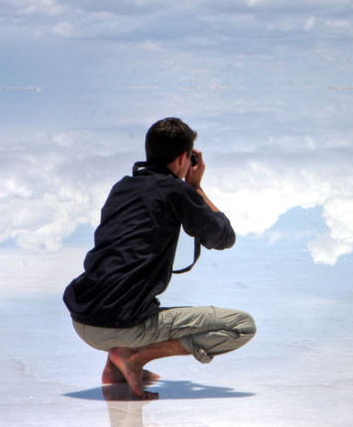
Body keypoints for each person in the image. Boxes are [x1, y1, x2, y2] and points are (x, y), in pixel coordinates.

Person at [63, 117, 255, 400]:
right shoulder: (175, 191)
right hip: (120, 327)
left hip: (82, 319)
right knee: (241, 325)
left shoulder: (122, 187)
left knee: (133, 284)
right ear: (182, 158)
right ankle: (135, 357)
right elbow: (223, 236)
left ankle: (114, 368)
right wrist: (196, 187)